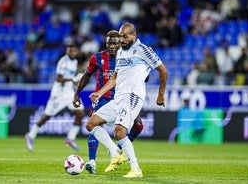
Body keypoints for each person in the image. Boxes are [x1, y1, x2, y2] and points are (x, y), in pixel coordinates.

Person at [86, 23, 168, 178]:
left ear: (133, 36)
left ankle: (136, 169)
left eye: (124, 36)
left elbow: (163, 70)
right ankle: (115, 153)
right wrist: (100, 92)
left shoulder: (143, 50)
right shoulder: (121, 53)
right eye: (120, 37)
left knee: (119, 131)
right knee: (91, 123)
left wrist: (161, 94)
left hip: (133, 96)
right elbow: (115, 78)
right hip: (118, 97)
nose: (121, 40)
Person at [73, 30, 144, 174]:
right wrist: (77, 93)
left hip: (123, 97)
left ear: (120, 44)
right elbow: (87, 76)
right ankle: (92, 161)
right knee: (93, 123)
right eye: (109, 43)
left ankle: (118, 150)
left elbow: (143, 76)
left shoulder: (128, 57)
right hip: (103, 97)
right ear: (106, 44)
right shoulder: (97, 58)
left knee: (139, 126)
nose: (112, 46)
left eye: (115, 43)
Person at [24, 44, 85, 152]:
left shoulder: (74, 62)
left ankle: (70, 138)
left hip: (69, 93)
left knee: (80, 114)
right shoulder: (63, 61)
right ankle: (30, 135)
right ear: (67, 51)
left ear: (76, 52)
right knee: (47, 116)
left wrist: (75, 81)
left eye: (74, 51)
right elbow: (58, 78)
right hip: (58, 94)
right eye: (70, 51)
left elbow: (70, 78)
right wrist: (72, 80)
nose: (72, 53)